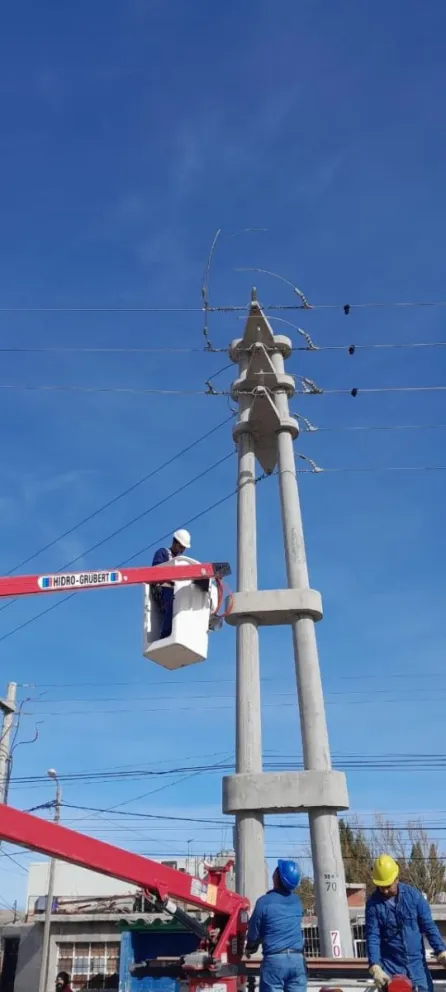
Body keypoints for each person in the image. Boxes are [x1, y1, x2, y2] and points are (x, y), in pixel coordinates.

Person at [366, 854, 446, 992]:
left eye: (388, 886)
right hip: (391, 970)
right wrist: (375, 966)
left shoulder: (413, 897)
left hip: (417, 969)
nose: (385, 890)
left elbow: (429, 926)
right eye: (381, 887)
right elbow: (373, 937)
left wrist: (441, 951)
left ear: (396, 879)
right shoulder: (373, 905)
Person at [246, 859, 306, 992]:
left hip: (275, 961)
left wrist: (250, 947)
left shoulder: (264, 902)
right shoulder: (297, 902)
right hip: (297, 960)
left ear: (277, 877)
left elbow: (254, 931)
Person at [151, 529, 191, 638]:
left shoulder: (181, 561)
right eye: (181, 547)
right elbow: (154, 572)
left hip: (175, 590)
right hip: (163, 590)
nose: (182, 550)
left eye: (184, 548)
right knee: (172, 601)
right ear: (174, 542)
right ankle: (166, 635)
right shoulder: (162, 553)